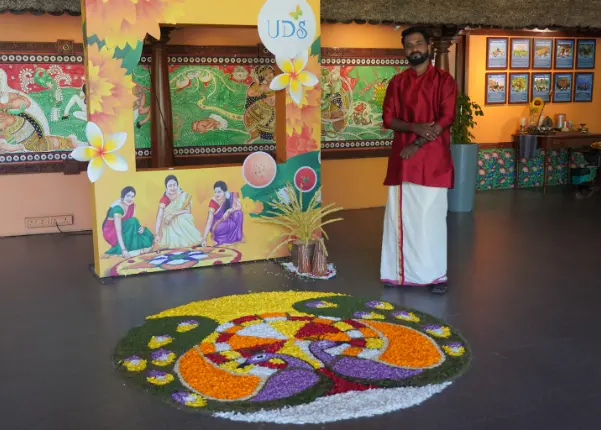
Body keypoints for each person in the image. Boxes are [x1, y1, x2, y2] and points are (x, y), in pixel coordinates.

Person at [380, 26, 457, 295]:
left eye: (418, 43)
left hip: (433, 160)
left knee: (430, 219)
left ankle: (435, 276)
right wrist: (414, 129)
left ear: (428, 47)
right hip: (403, 159)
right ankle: (395, 273)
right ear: (405, 50)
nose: (414, 48)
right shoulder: (397, 83)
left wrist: (418, 144)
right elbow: (389, 119)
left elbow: (446, 118)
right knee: (398, 217)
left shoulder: (444, 81)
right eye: (409, 45)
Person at [102, 186, 154, 258]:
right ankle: (123, 251)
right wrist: (123, 249)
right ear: (123, 196)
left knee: (142, 233)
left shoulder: (132, 205)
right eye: (128, 196)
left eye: (132, 196)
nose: (130, 199)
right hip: (112, 232)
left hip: (125, 228)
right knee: (133, 222)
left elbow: (134, 223)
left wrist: (141, 228)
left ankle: (134, 249)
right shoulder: (118, 209)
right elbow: (118, 231)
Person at [154, 175, 203, 249]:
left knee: (183, 218)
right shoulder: (165, 199)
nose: (173, 188)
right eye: (170, 186)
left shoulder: (184, 195)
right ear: (166, 187)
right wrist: (157, 233)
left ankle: (190, 244)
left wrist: (173, 214)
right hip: (168, 222)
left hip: (182, 218)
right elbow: (159, 217)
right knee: (177, 220)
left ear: (177, 185)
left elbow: (188, 211)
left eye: (174, 185)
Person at [201, 181, 244, 247]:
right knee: (218, 229)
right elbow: (209, 221)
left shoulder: (231, 196)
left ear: (225, 192)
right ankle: (222, 239)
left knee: (238, 213)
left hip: (229, 220)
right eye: (215, 192)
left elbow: (239, 207)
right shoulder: (213, 202)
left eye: (219, 192)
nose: (216, 194)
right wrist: (204, 239)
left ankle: (235, 237)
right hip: (217, 223)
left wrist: (229, 210)